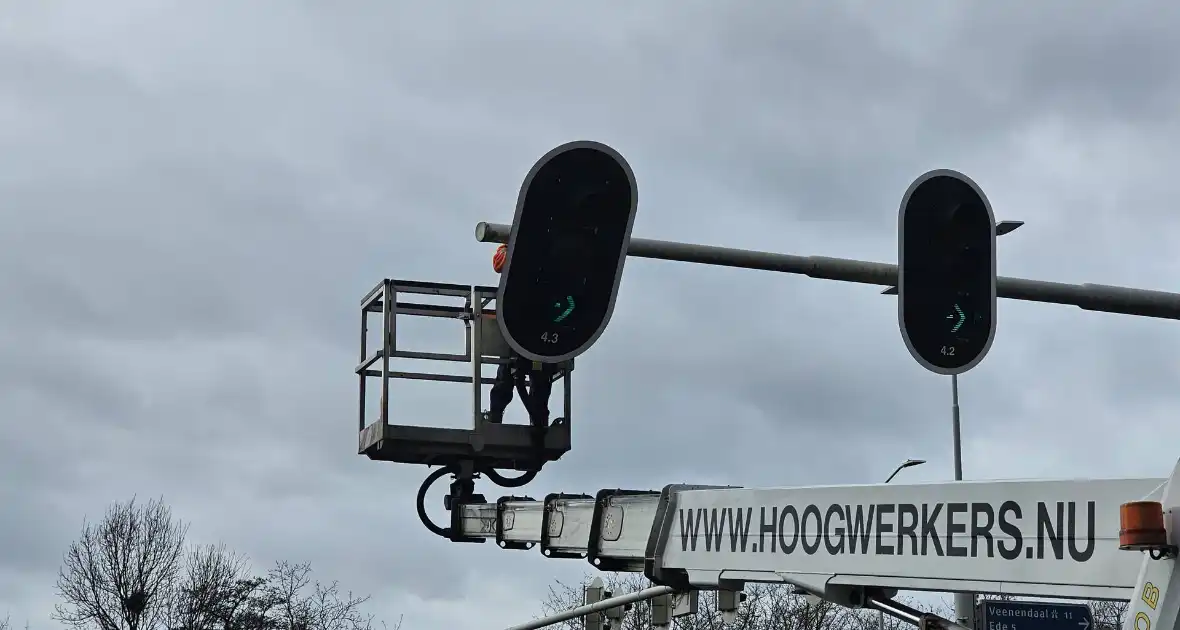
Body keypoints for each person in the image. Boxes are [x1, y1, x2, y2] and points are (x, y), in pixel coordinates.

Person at [484, 244, 555, 428]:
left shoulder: (555, 248)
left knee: (541, 378)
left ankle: (539, 422)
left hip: (543, 325)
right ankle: (495, 420)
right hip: (516, 323)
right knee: (507, 373)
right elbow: (499, 263)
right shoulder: (515, 243)